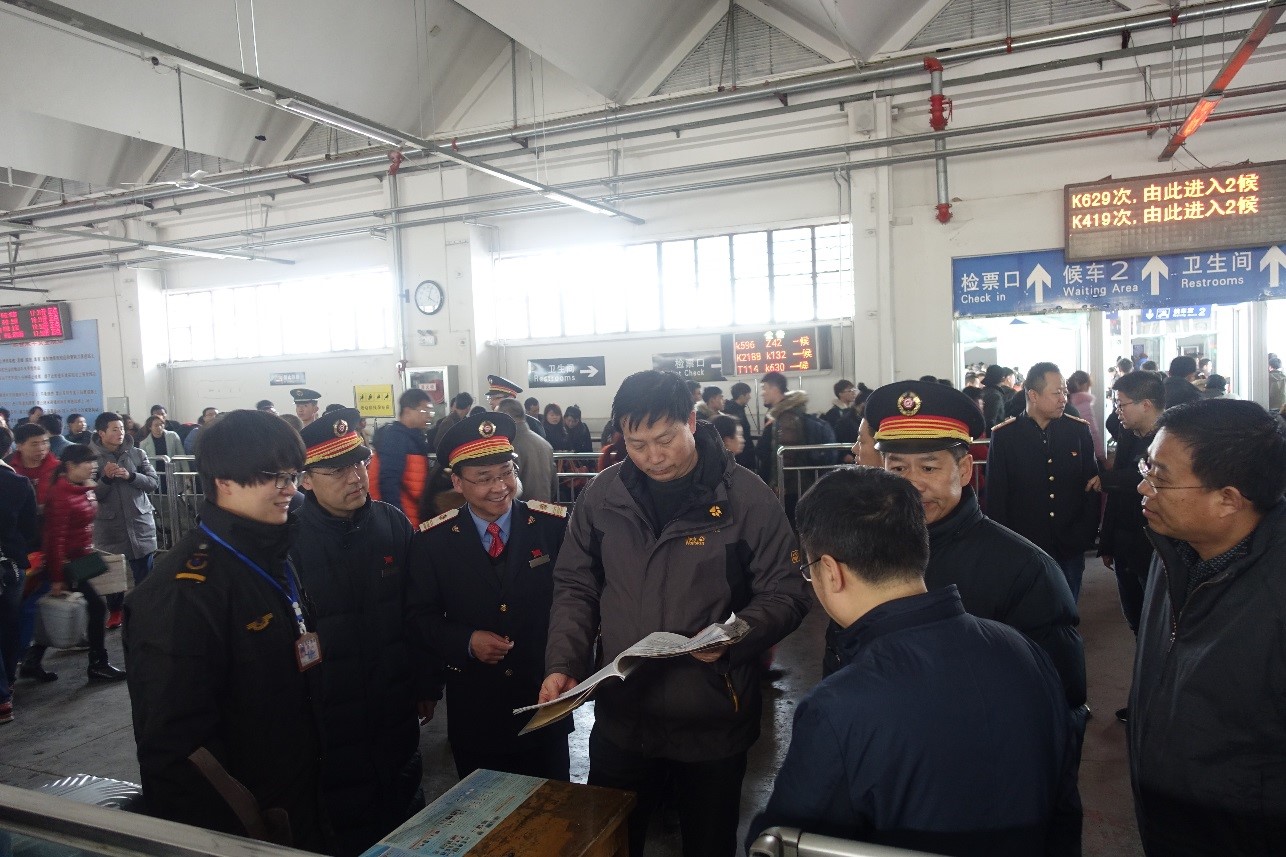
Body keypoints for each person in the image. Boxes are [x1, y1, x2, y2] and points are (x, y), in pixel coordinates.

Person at [540, 370, 811, 857]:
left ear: (691, 421)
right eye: (636, 444)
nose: (652, 457)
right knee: (611, 843)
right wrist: (565, 662)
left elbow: (786, 593)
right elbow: (576, 586)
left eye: (664, 439)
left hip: (712, 719)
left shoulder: (745, 498)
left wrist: (736, 634)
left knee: (708, 844)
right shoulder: (603, 496)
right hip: (623, 717)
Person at [746, 467, 1081, 855]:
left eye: (809, 571)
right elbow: (1064, 808)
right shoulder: (1023, 651)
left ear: (831, 572)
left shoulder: (838, 707)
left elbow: (780, 843)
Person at [124, 410, 330, 851]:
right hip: (248, 824)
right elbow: (176, 751)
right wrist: (233, 837)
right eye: (274, 477)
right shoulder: (184, 592)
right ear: (224, 481)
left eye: (293, 476)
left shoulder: (272, 553)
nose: (290, 490)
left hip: (298, 794)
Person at [839, 381, 1086, 716]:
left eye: (929, 467)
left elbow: (1059, 698)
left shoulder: (1025, 570)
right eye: (897, 468)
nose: (912, 485)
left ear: (965, 469)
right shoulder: (862, 554)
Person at [1129, 399, 1286, 854]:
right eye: (1146, 467)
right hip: (1168, 817)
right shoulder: (1175, 550)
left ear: (1228, 499)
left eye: (1160, 477)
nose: (1143, 486)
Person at [289, 407, 427, 856]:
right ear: (306, 481)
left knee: (406, 818)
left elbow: (417, 613)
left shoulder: (391, 523)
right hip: (330, 722)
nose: (355, 477)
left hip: (394, 708)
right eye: (336, 470)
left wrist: (425, 684)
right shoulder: (289, 543)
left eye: (359, 463)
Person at [408, 411, 572, 781]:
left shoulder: (552, 527)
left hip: (544, 701)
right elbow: (419, 617)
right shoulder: (433, 542)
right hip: (477, 711)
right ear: (457, 482)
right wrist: (465, 641)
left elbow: (574, 602)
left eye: (506, 473)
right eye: (484, 478)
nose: (499, 486)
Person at [987, 363, 1100, 601]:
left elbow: (1091, 486)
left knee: (1069, 606)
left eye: (1064, 392)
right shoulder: (1005, 436)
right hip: (1025, 543)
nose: (1063, 398)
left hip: (1070, 541)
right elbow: (997, 495)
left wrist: (1086, 533)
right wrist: (1002, 545)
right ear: (1033, 395)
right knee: (1029, 608)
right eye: (1057, 392)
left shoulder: (1077, 430)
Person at [21, 444, 126, 683]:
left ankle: (32, 660)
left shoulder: (80, 488)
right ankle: (98, 664)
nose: (93, 467)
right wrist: (58, 577)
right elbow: (55, 540)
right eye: (87, 462)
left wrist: (88, 488)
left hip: (82, 558)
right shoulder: (60, 495)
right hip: (67, 563)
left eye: (93, 462)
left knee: (71, 607)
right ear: (70, 466)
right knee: (96, 608)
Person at [1093, 370, 1163, 723]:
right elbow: (1118, 501)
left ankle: (1160, 704)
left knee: (1159, 629)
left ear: (1146, 404)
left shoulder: (1168, 441)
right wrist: (1107, 542)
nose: (1117, 411)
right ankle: (1143, 701)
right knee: (1137, 626)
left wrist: (1106, 479)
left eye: (1122, 404)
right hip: (1124, 546)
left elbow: (1140, 480)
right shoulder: (1127, 435)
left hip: (1154, 549)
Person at [91, 412, 159, 628]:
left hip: (139, 520)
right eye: (114, 429)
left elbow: (153, 483)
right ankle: (115, 611)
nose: (120, 433)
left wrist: (131, 476)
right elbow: (90, 494)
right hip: (109, 525)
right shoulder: (91, 459)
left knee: (144, 571)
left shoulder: (137, 453)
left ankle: (146, 610)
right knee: (113, 572)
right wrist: (105, 479)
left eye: (121, 428)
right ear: (101, 433)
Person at [0, 426, 39, 723]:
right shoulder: (18, 483)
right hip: (10, 564)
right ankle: (8, 685)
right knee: (9, 625)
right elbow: (29, 530)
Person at [372, 389, 431, 526]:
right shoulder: (396, 438)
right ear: (407, 411)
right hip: (404, 519)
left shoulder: (414, 437)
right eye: (424, 411)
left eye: (430, 412)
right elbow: (388, 483)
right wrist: (398, 522)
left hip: (414, 516)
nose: (428, 416)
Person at [497, 398, 556, 503]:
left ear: (505, 417)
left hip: (520, 509)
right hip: (544, 507)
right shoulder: (545, 444)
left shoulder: (508, 445)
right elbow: (554, 484)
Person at [6, 423, 58, 516]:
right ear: (19, 446)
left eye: (45, 442)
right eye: (34, 444)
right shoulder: (7, 468)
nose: (41, 448)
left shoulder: (59, 468)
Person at [138, 414, 189, 493]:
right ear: (150, 427)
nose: (159, 427)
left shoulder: (173, 436)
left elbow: (181, 454)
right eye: (156, 425)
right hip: (156, 474)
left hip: (172, 472)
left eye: (161, 424)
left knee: (176, 495)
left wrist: (187, 473)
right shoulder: (144, 443)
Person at [1066, 370, 1104, 464]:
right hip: (1084, 452)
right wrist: (1102, 457)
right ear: (1085, 385)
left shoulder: (1066, 402)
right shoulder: (1083, 403)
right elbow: (1093, 432)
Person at [722, 381, 757, 472]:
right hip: (740, 457)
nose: (750, 397)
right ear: (741, 396)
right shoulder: (731, 412)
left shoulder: (738, 409)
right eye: (748, 394)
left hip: (743, 453)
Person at [979, 364, 1015, 430]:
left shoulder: (982, 392)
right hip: (993, 432)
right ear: (1002, 378)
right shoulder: (996, 396)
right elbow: (991, 420)